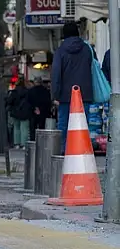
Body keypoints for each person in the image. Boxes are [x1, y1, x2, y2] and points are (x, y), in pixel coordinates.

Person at [49, 21, 94, 153]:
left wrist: (55, 95)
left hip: (65, 96)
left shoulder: (61, 51)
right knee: (83, 124)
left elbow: (56, 74)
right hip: (84, 94)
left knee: (64, 124)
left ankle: (64, 151)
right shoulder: (87, 49)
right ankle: (83, 151)